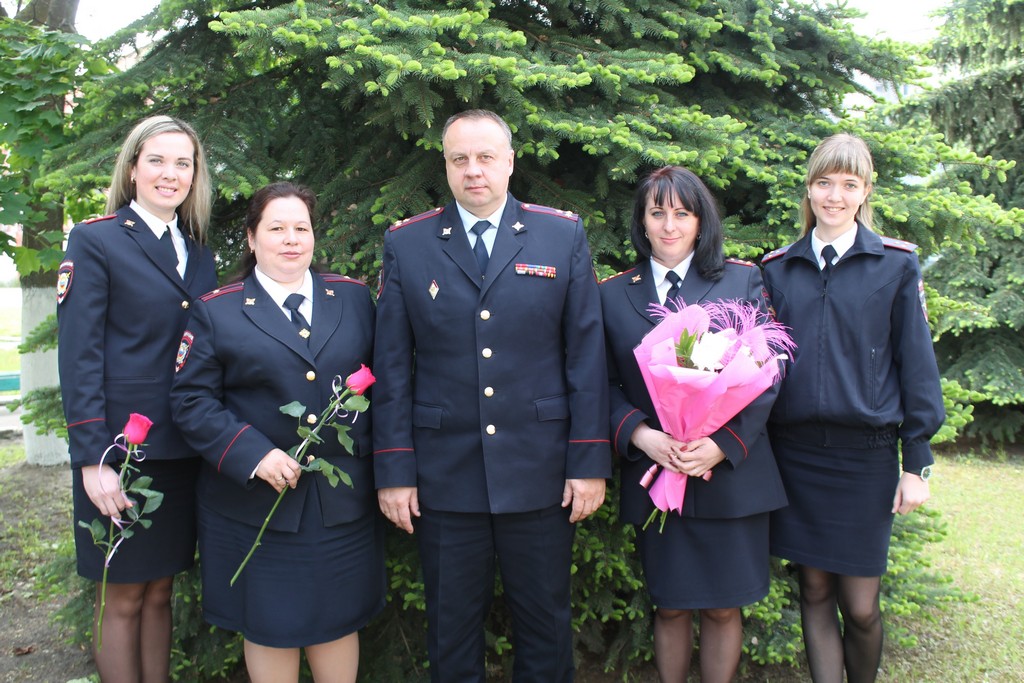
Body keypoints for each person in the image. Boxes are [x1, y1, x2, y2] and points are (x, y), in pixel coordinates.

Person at [373, 109, 611, 682]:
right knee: (451, 629)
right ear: (446, 167)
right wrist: (395, 471)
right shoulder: (409, 244)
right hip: (444, 475)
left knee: (546, 625)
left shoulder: (561, 234)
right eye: (460, 159)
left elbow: (585, 356)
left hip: (541, 469)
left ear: (509, 161)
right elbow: (392, 366)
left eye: (485, 158)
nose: (473, 171)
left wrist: (588, 461)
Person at [170, 182, 384, 683]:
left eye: (301, 228)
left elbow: (386, 387)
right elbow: (190, 401)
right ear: (251, 238)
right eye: (276, 228)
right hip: (255, 505)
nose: (291, 240)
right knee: (268, 625)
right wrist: (253, 454)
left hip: (339, 505)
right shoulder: (217, 310)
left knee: (336, 621)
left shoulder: (354, 299)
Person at [761, 133, 945, 683]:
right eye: (824, 183)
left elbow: (917, 367)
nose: (834, 196)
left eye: (848, 184)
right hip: (797, 456)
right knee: (814, 590)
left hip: (864, 458)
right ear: (809, 189)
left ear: (865, 192)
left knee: (861, 605)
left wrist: (916, 462)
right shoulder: (777, 270)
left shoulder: (894, 265)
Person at [599, 166, 787, 682]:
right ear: (641, 221)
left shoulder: (741, 280)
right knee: (671, 605)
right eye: (657, 213)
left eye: (681, 213)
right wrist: (641, 434)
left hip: (729, 474)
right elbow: (601, 384)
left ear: (700, 221)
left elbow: (769, 372)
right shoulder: (613, 294)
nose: (669, 225)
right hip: (660, 475)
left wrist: (722, 444)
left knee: (725, 608)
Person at [56, 115, 217, 681]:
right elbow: (79, 358)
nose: (170, 174)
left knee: (159, 592)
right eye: (157, 161)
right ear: (132, 168)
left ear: (195, 176)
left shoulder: (198, 251)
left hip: (181, 451)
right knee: (120, 596)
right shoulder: (96, 239)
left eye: (183, 164)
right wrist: (91, 461)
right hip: (120, 452)